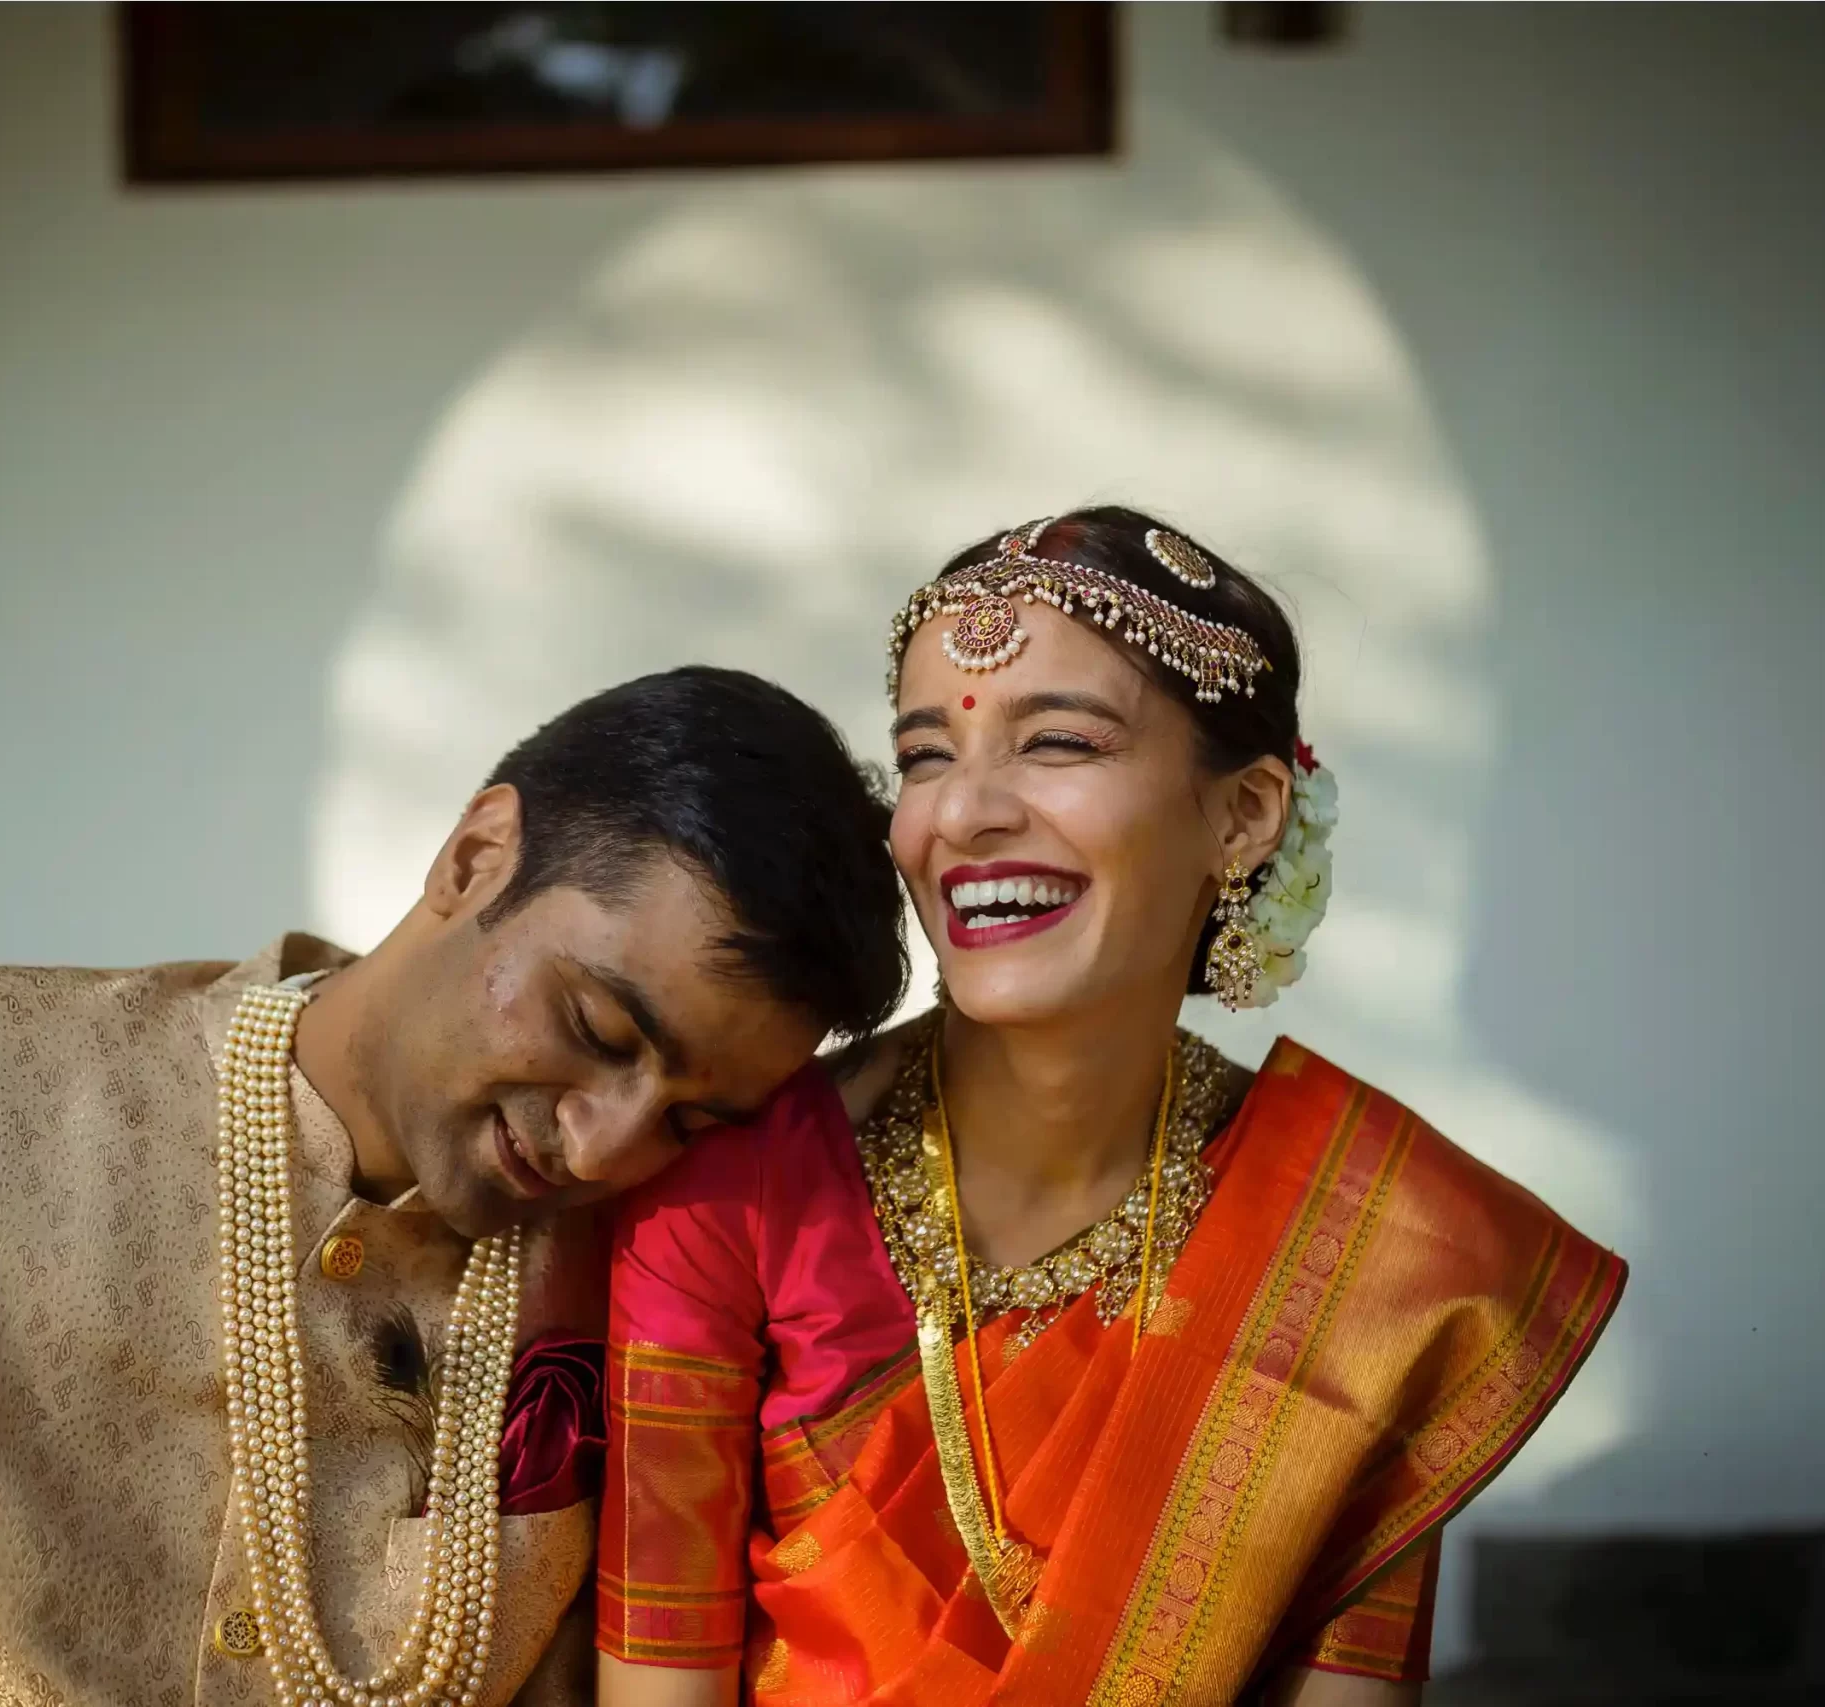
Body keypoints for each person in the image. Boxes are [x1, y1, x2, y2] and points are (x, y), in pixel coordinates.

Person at [0, 665, 910, 1707]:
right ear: (475, 857)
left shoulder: (659, 1267)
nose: (610, 1141)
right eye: (601, 1031)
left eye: (692, 1113)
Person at [596, 512, 1628, 1706]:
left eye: (1060, 744)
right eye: (927, 756)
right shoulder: (729, 1192)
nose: (964, 814)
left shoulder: (1364, 1249)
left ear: (1242, 816)